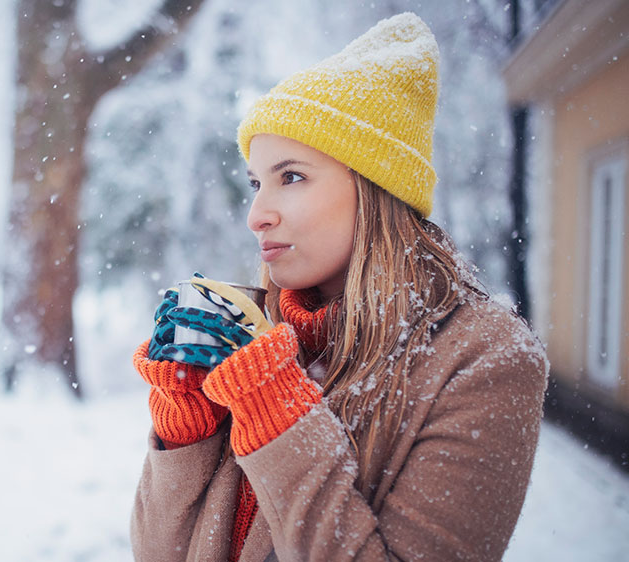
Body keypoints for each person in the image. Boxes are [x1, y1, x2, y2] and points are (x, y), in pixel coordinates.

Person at [129, 12, 548, 562]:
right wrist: (185, 430)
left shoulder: (483, 359)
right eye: (256, 183)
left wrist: (279, 416)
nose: (257, 213)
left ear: (376, 189)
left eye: (292, 176)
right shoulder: (252, 336)